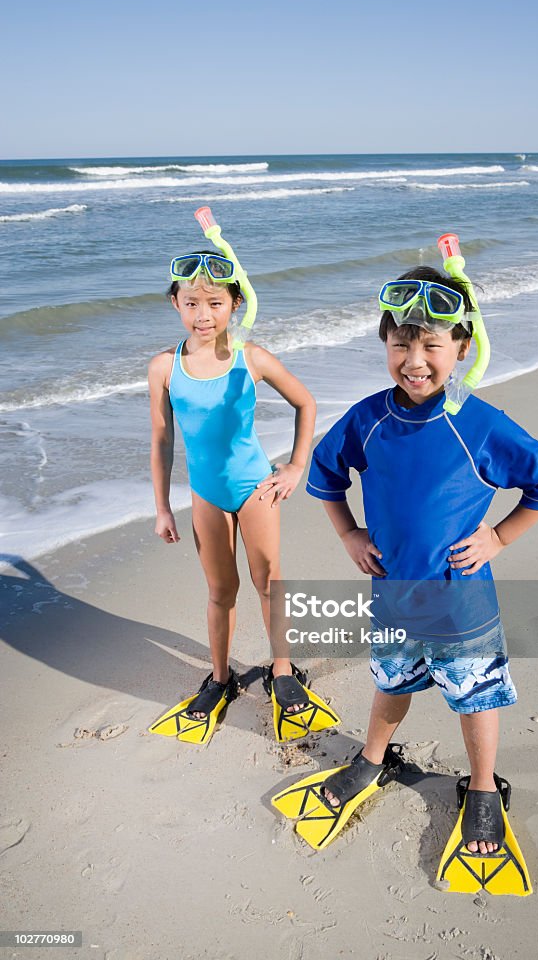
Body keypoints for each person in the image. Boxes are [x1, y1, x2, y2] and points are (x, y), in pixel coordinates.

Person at [304, 263, 538, 860]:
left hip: (461, 599)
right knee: (390, 681)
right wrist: (348, 533)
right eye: (401, 344)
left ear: (462, 348)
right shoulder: (369, 419)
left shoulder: (477, 424)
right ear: (385, 345)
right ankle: (373, 757)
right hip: (394, 594)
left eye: (432, 344)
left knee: (476, 695)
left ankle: (480, 787)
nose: (415, 360)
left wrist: (499, 538)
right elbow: (325, 472)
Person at [148, 248, 317, 736]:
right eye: (192, 303)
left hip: (254, 488)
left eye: (215, 303)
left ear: (236, 304)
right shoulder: (164, 367)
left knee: (268, 581)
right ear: (175, 304)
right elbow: (161, 440)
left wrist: (295, 466)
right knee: (221, 591)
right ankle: (220, 677)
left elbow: (305, 403)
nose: (204, 314)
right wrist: (162, 507)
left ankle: (281, 671)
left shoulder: (252, 357)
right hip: (206, 495)